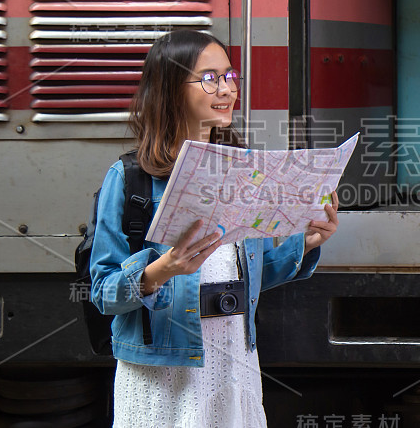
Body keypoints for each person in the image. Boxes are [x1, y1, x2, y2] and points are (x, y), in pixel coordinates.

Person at [89, 30, 339, 427]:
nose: (226, 89)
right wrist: (162, 270)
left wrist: (305, 243)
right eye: (209, 78)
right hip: (164, 375)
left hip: (234, 363)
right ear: (170, 89)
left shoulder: (242, 170)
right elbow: (103, 292)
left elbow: (242, 279)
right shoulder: (129, 180)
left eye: (229, 76)